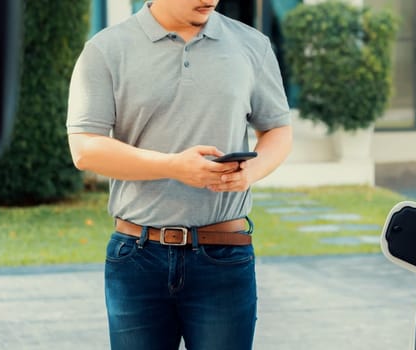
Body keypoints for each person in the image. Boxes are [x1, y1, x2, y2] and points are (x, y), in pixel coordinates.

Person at [65, 0, 292, 348]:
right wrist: (173, 167)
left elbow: (278, 130)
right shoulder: (105, 49)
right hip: (136, 258)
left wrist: (253, 170)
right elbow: (85, 148)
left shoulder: (252, 45)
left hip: (224, 255)